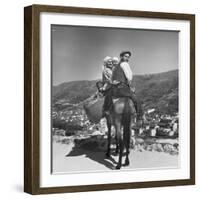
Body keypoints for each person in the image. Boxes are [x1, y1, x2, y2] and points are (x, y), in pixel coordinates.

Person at [110, 51, 143, 121]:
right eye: (126, 56)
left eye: (128, 57)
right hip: (122, 88)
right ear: (121, 57)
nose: (127, 58)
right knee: (136, 99)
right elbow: (129, 77)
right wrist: (129, 86)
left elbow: (111, 79)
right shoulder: (125, 64)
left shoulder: (115, 67)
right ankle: (139, 117)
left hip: (114, 90)